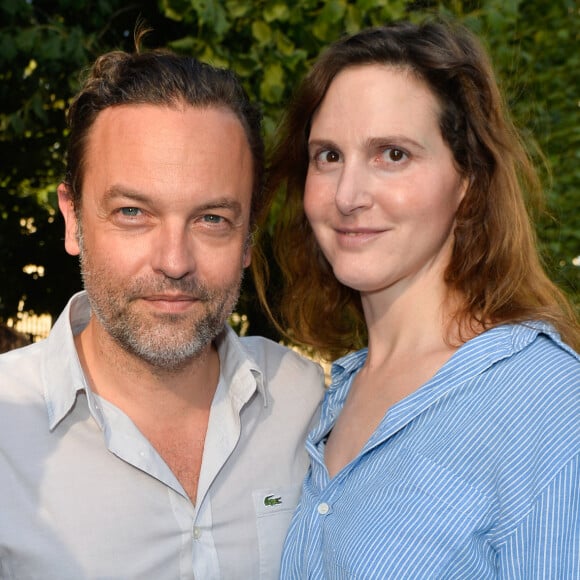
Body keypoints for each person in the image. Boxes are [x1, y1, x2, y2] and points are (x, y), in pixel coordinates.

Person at [0, 37, 324, 579]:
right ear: (73, 219)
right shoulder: (9, 426)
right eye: (133, 212)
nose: (174, 262)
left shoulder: (304, 403)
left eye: (212, 219)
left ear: (248, 236)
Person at [268, 19, 580, 578]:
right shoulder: (332, 396)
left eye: (392, 154)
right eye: (328, 156)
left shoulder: (548, 403)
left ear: (468, 180)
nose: (347, 195)